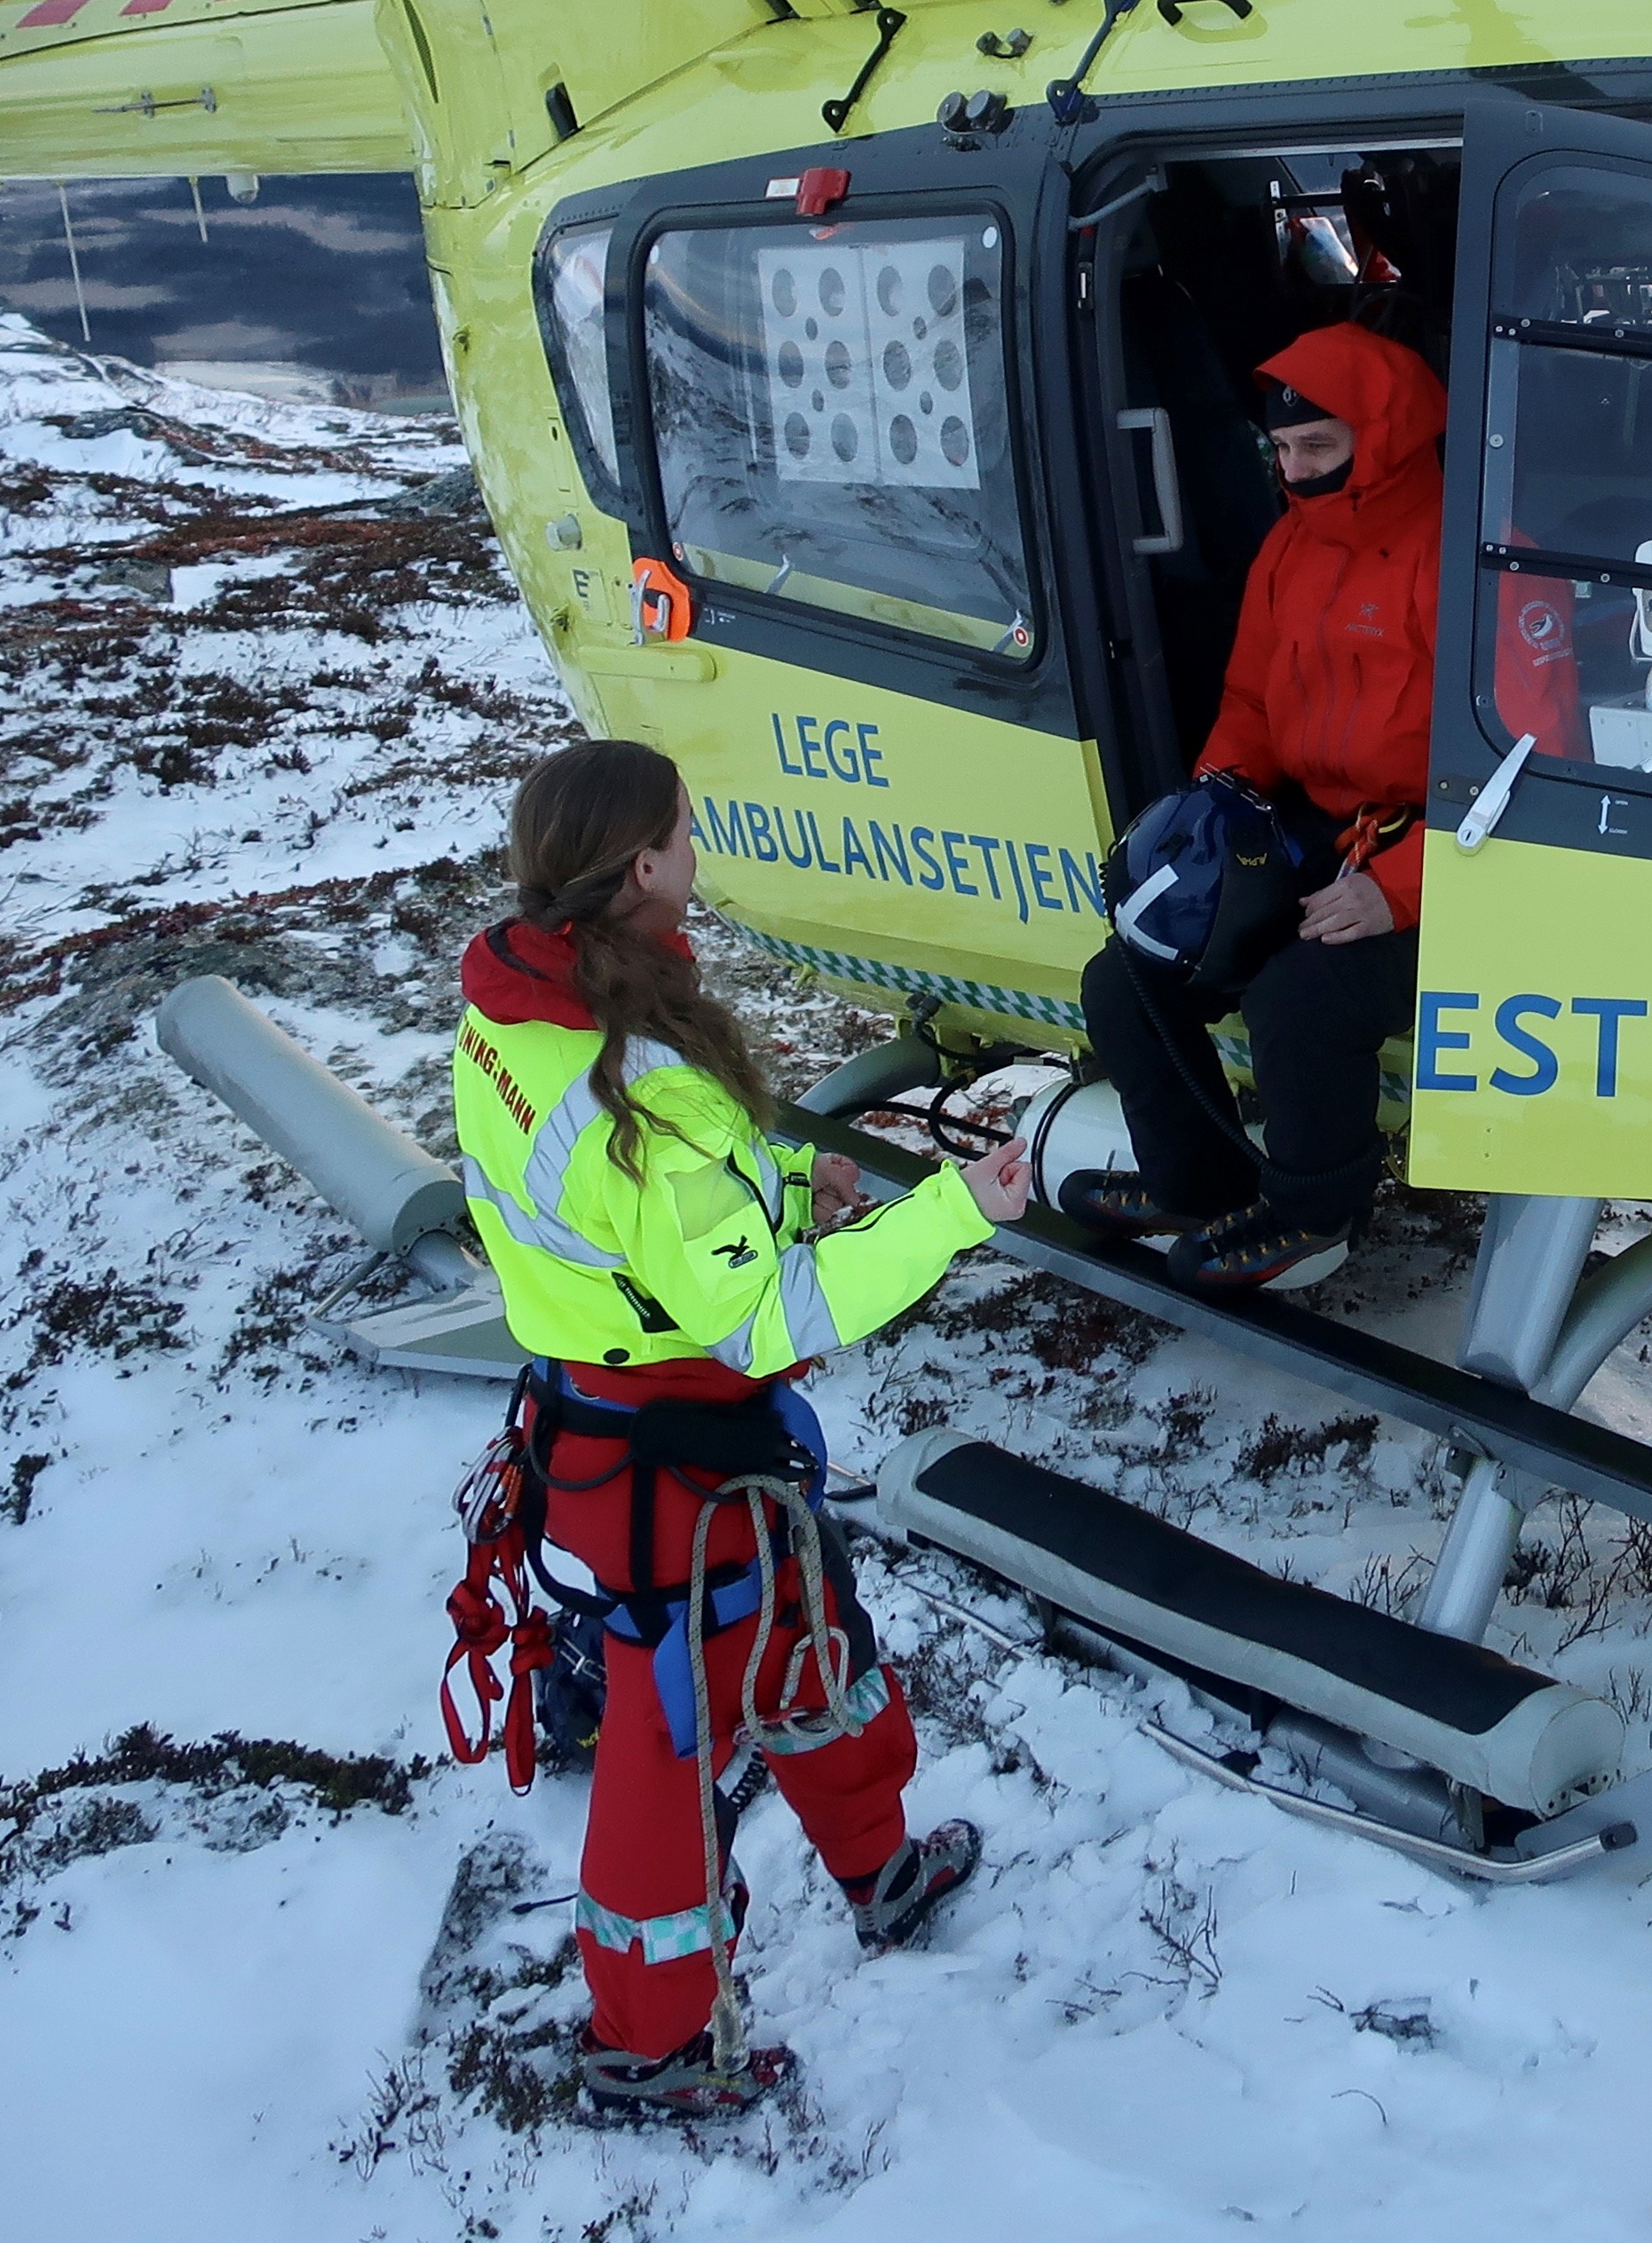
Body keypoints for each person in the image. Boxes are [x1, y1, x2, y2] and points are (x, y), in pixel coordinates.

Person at [451, 738, 1034, 2128]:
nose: (698, 846)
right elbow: (760, 1319)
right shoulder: (638, 1084)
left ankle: (880, 1869)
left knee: (815, 1645)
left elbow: (654, 1208)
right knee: (668, 1762)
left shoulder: (522, 1007)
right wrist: (955, 1214)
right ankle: (652, 2047)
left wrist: (787, 1172)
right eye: (685, 828)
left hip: (650, 1444)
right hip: (675, 1477)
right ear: (643, 865)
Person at [1063, 321, 1561, 1294]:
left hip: (1457, 855)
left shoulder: (1482, 558)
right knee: (1130, 972)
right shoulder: (1290, 546)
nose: (1295, 470)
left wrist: (1398, 890)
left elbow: (1535, 767)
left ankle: (1311, 1209)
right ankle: (1198, 1186)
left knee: (1303, 995)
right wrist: (1210, 817)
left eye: (1318, 446)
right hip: (1313, 828)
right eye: (1282, 449)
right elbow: (1251, 702)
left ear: (1385, 436)